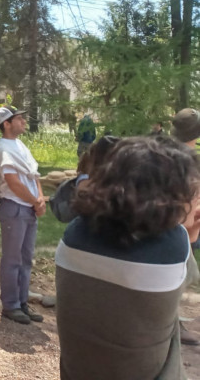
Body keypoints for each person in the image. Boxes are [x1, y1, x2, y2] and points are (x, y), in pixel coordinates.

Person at [56, 137, 200, 379]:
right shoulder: (173, 246)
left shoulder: (76, 233)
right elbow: (184, 278)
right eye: (193, 193)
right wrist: (189, 235)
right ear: (166, 196)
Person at [0, 106, 45, 325]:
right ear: (6, 124)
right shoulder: (1, 148)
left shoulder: (20, 145)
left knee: (26, 258)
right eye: (18, 119)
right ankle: (11, 305)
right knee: (12, 258)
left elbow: (34, 173)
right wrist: (34, 200)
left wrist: (40, 198)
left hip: (28, 207)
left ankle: (22, 302)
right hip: (14, 207)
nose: (23, 122)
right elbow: (12, 181)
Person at [171, 107, 200, 346]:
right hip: (177, 221)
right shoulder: (186, 159)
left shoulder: (165, 150)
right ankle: (172, 325)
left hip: (178, 221)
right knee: (184, 273)